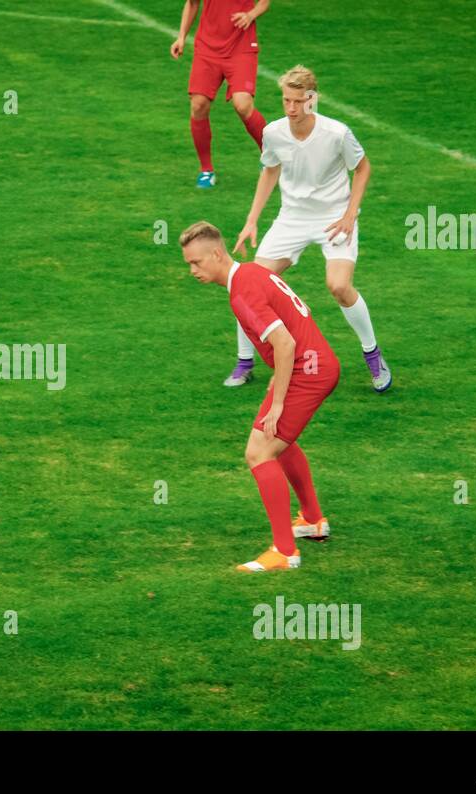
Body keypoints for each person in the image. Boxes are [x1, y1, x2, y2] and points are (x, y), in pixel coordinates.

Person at [180, 221, 339, 573]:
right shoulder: (251, 274)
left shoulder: (243, 291)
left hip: (307, 372)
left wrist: (279, 400)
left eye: (196, 262)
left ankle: (285, 551)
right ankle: (312, 520)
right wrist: (276, 385)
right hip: (311, 365)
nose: (192, 270)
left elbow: (285, 343)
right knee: (277, 441)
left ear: (217, 254)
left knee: (259, 451)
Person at [230, 65, 391, 393]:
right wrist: (251, 220)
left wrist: (349, 215)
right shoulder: (274, 132)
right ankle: (245, 362)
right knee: (249, 283)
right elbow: (269, 171)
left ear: (312, 99)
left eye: (297, 101)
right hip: (292, 218)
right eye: (285, 100)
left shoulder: (336, 133)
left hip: (333, 218)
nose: (290, 108)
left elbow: (362, 168)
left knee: (339, 286)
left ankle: (373, 355)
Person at [170, 0, 271, 188]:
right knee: (198, 105)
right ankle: (206, 171)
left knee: (243, 104)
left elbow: (265, 2)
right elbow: (192, 3)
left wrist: (251, 15)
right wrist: (181, 37)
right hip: (207, 47)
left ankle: (271, 157)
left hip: (242, 46)